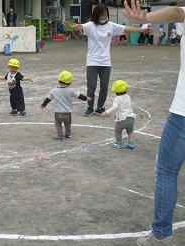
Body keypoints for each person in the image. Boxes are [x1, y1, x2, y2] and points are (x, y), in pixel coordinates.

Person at [123, 0, 185, 245]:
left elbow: (178, 12)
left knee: (166, 171)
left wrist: (147, 18)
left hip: (183, 114)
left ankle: (160, 234)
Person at [62, 3, 151, 117]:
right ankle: (90, 107)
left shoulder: (111, 26)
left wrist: (142, 31)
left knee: (104, 86)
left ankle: (100, 107)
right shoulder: (91, 26)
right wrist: (71, 27)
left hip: (105, 62)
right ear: (97, 15)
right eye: (102, 15)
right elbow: (79, 27)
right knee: (92, 86)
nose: (104, 17)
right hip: (92, 61)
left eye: (105, 14)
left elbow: (126, 28)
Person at [39, 71, 91, 140]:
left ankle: (60, 135)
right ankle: (68, 134)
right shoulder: (71, 90)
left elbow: (48, 99)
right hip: (67, 112)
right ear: (70, 82)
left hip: (58, 112)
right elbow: (79, 96)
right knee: (67, 124)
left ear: (58, 81)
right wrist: (86, 98)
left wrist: (43, 105)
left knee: (58, 124)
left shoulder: (54, 91)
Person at [101, 80, 136, 149]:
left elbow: (115, 107)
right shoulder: (128, 96)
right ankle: (131, 143)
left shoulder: (117, 98)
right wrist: (117, 114)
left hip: (122, 119)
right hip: (131, 117)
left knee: (118, 131)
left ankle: (119, 143)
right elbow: (125, 107)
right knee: (130, 131)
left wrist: (106, 112)